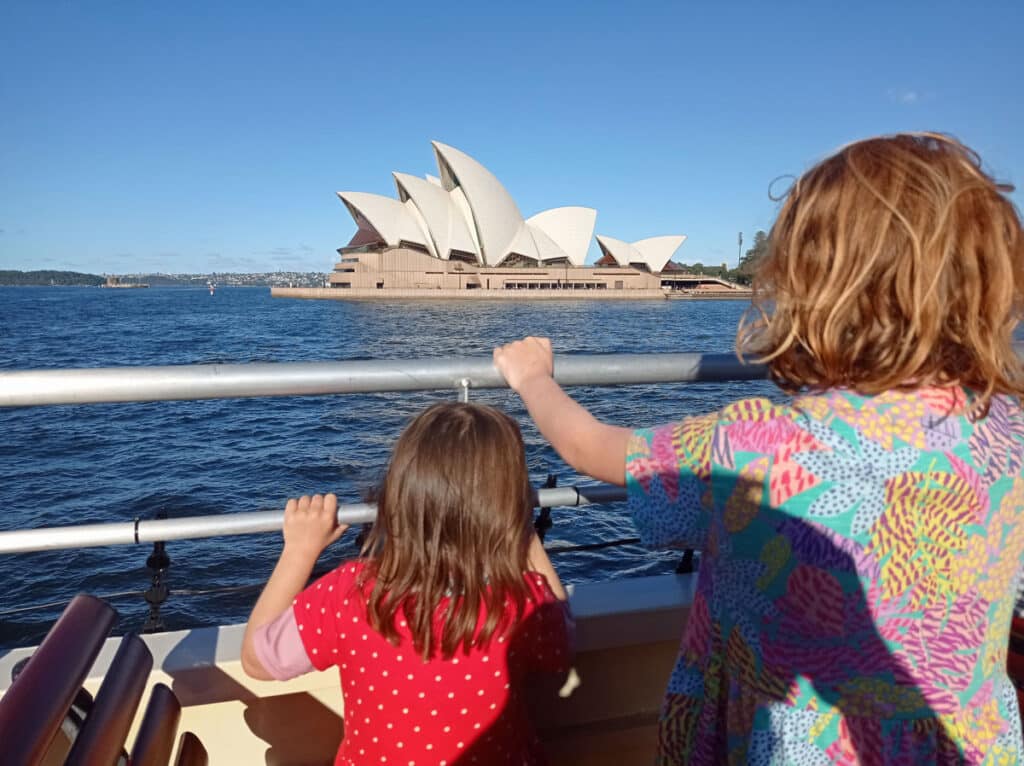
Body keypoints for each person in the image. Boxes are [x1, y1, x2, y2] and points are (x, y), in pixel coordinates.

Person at [494, 133, 1024, 764]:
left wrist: (533, 378)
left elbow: (589, 448)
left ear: (810, 285)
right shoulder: (1009, 434)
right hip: (960, 739)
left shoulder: (753, 445)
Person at [241, 402, 573, 766]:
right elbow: (560, 643)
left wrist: (300, 551)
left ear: (398, 494)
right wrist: (524, 532)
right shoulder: (523, 600)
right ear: (508, 510)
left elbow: (257, 662)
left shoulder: (350, 592)